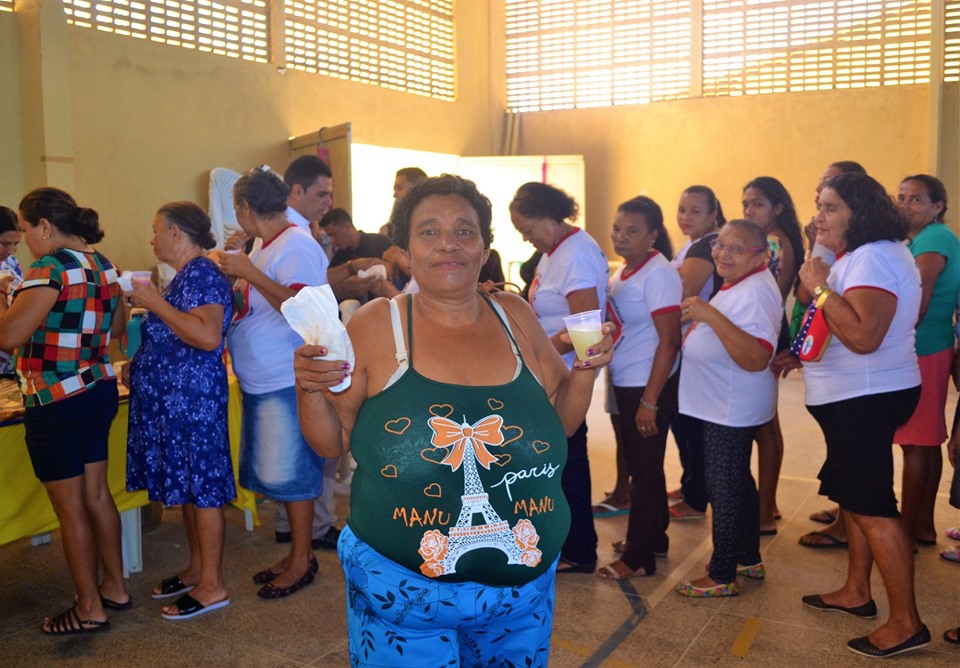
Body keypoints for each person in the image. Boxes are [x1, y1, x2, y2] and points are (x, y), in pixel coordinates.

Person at [292, 174, 613, 666]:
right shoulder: (378, 324)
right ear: (404, 249)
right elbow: (332, 443)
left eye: (465, 231)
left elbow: (560, 423)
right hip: (401, 594)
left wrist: (587, 372)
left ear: (484, 248)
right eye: (429, 231)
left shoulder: (515, 316)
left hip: (521, 598)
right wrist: (309, 387)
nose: (448, 244)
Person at [779, 172, 928, 657]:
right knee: (855, 501)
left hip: (866, 397)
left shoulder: (875, 257)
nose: (818, 216)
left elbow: (864, 335)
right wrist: (818, 270)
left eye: (830, 208)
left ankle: (905, 622)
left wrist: (821, 287)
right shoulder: (858, 255)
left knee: (873, 508)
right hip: (852, 397)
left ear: (858, 214)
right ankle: (856, 592)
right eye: (818, 205)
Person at [0, 187, 129, 633]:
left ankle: (89, 606)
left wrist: (4, 297)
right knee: (96, 495)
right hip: (96, 388)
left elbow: (9, 337)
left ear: (45, 227)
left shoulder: (48, 268)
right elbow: (116, 328)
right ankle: (115, 587)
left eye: (25, 229)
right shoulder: (104, 264)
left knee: (71, 508)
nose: (24, 240)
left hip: (55, 399)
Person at [219, 166, 330, 599]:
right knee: (280, 475)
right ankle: (295, 554)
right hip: (262, 378)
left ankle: (302, 559)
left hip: (287, 376)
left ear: (245, 208)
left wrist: (249, 271)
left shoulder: (298, 246)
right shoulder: (264, 243)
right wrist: (239, 268)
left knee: (295, 475)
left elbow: (305, 309)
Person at [124, 202, 234, 620]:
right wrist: (138, 364)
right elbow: (174, 334)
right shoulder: (185, 277)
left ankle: (213, 585)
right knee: (190, 486)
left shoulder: (203, 273)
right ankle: (197, 569)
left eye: (155, 230)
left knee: (202, 489)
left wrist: (153, 301)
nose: (150, 238)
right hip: (178, 403)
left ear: (175, 233)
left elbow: (206, 336)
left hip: (194, 405)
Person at [674, 219, 782, 597]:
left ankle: (722, 573)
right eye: (720, 245)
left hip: (730, 403)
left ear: (760, 257)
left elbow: (756, 356)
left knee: (723, 484)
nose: (722, 253)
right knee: (738, 480)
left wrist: (709, 315)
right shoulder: (743, 283)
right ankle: (747, 556)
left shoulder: (754, 291)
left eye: (736, 249)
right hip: (724, 400)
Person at [510, 181, 609, 573]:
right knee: (561, 461)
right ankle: (568, 542)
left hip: (566, 378)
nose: (525, 236)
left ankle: (579, 548)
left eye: (527, 227)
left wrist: (540, 347)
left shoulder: (575, 255)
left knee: (569, 463)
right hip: (553, 372)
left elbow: (586, 332)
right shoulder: (557, 251)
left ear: (548, 216)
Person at [596, 196, 681, 580]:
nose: (621, 237)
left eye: (632, 231)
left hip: (648, 383)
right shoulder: (626, 271)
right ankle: (654, 537)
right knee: (643, 466)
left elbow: (669, 340)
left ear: (653, 235)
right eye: (617, 229)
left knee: (643, 472)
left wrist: (650, 400)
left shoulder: (658, 273)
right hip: (627, 379)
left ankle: (639, 557)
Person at [894, 175, 960, 549]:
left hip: (924, 348)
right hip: (931, 347)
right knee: (926, 439)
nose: (905, 205)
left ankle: (904, 532)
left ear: (938, 207)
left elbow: (916, 304)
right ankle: (921, 525)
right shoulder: (925, 237)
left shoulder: (934, 239)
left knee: (916, 442)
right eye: (901, 197)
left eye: (915, 199)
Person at [741, 176, 804, 535]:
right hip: (765, 328)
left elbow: (766, 296)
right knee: (766, 421)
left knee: (764, 423)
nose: (749, 210)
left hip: (764, 330)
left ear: (778, 208)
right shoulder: (772, 240)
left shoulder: (774, 244)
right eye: (746, 204)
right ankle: (770, 503)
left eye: (758, 204)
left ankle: (764, 510)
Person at [667, 185, 726, 520]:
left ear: (713, 213)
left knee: (690, 423)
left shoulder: (707, 245)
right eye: (682, 209)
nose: (685, 217)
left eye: (695, 211)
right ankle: (691, 483)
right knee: (682, 420)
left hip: (697, 341)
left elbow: (680, 291)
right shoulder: (692, 244)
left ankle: (695, 496)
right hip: (688, 344)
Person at [321, 207, 392, 302]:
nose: (332, 241)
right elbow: (326, 282)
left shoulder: (380, 242)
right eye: (329, 236)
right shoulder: (340, 256)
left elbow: (397, 275)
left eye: (334, 234)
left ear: (347, 227)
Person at [0, 206, 24, 378]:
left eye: (16, 244)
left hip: (12, 364)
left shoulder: (11, 264)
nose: (10, 251)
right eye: (5, 244)